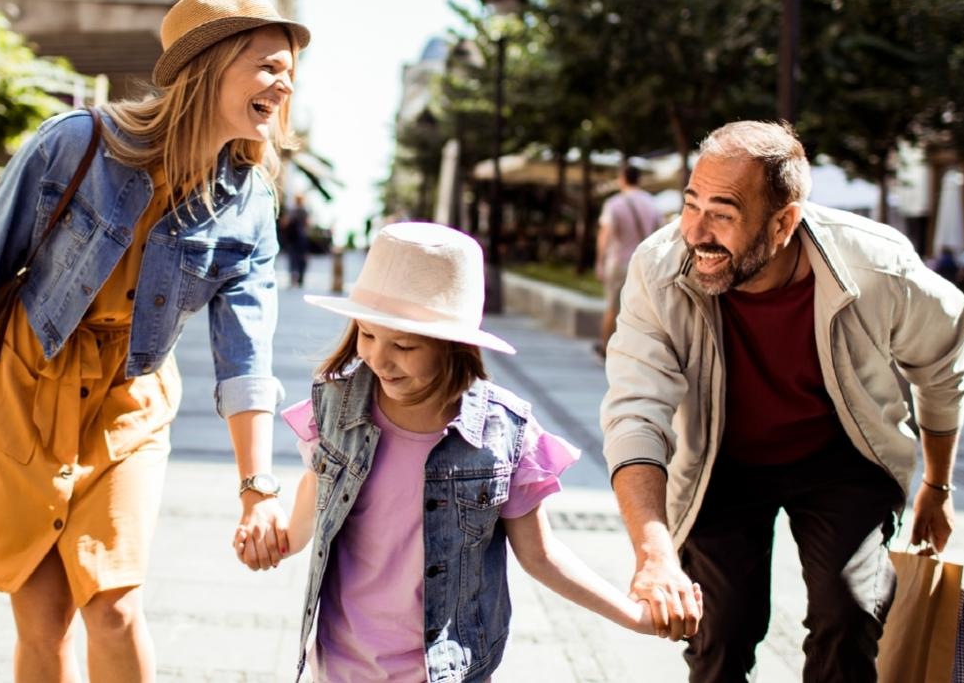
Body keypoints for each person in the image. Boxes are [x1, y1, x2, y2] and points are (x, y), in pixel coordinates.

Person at [0, 0, 307, 679]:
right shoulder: (77, 146)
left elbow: (246, 352)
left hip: (129, 403)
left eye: (289, 72)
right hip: (20, 387)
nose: (284, 84)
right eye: (267, 65)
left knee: (115, 606)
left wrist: (258, 486)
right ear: (209, 64)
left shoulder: (249, 205)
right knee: (44, 619)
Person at [600, 121, 964, 681]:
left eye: (722, 213)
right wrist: (653, 551)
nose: (694, 231)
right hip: (720, 461)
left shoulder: (878, 268)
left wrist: (937, 485)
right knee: (720, 631)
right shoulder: (660, 269)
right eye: (690, 204)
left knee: (848, 615)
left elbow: (944, 363)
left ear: (784, 222)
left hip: (843, 458)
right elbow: (635, 409)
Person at [252, 222, 664, 682]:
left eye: (404, 345)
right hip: (341, 665)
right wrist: (270, 537)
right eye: (367, 335)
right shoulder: (334, 409)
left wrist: (632, 615)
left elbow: (542, 556)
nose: (378, 358)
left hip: (444, 671)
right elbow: (311, 515)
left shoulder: (503, 435)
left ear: (454, 345)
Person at [596, 164, 665, 358]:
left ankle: (605, 348)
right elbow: (660, 234)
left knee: (612, 306)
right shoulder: (652, 203)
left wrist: (599, 262)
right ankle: (635, 351)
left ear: (622, 179)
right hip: (645, 263)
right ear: (639, 179)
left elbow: (606, 235)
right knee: (641, 310)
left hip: (618, 262)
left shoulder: (614, 203)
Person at [281, 193, 312, 288]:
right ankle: (300, 278)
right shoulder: (305, 211)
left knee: (293, 258)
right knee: (301, 259)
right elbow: (308, 224)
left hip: (293, 239)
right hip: (302, 238)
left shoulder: (292, 211)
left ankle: (293, 277)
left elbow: (284, 224)